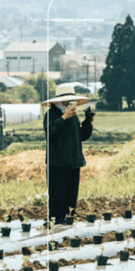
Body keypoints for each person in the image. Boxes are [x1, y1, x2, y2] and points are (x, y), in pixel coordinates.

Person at [42, 84, 94, 228]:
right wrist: (64, 117)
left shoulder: (74, 117)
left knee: (71, 196)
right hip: (57, 163)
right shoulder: (51, 115)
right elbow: (50, 133)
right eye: (69, 100)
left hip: (73, 161)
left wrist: (88, 122)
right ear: (61, 101)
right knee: (57, 195)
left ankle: (67, 224)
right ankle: (55, 223)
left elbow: (81, 136)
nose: (72, 103)